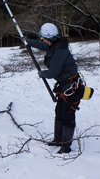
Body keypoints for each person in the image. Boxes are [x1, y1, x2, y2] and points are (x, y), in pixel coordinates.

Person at [26, 23, 84, 154]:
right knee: (59, 112)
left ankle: (66, 146)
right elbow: (43, 46)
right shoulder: (55, 44)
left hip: (71, 88)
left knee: (67, 115)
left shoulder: (59, 52)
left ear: (49, 38)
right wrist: (29, 42)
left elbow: (53, 73)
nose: (42, 40)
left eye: (43, 38)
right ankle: (57, 139)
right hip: (63, 86)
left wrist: (42, 73)